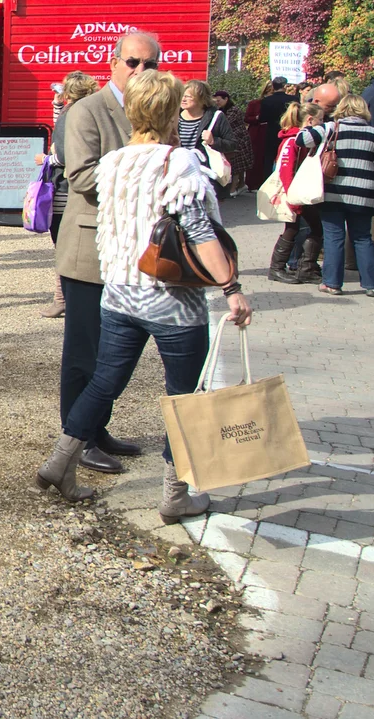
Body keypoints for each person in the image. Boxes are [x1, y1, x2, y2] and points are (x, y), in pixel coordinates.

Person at [38, 70, 252, 522]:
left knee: (104, 380)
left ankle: (60, 461)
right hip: (172, 299)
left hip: (120, 292)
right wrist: (232, 288)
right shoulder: (179, 164)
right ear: (174, 111)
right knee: (183, 395)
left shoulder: (114, 162)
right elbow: (197, 230)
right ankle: (176, 493)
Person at [56, 31, 161, 476]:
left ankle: (98, 429)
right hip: (89, 247)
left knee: (117, 350)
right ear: (114, 62)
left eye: (150, 64)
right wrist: (142, 165)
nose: (141, 71)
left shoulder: (153, 109)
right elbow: (81, 178)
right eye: (134, 62)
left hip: (131, 249)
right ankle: (75, 439)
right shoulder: (88, 110)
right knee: (84, 350)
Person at [298, 94, 374, 296]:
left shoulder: (331, 128)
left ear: (341, 109)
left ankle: (332, 283)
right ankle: (372, 284)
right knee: (362, 237)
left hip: (334, 193)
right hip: (365, 194)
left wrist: (309, 124)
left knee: (334, 237)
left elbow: (302, 140)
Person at [38, 72, 99, 317]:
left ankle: (62, 298)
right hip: (75, 188)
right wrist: (56, 104)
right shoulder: (86, 112)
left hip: (64, 187)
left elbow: (64, 155)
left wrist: (46, 159)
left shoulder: (71, 115)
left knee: (63, 245)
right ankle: (64, 298)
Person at [268, 102, 324, 284]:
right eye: (320, 120)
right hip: (294, 193)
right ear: (310, 120)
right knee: (292, 228)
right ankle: (277, 268)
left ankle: (305, 267)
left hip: (302, 192)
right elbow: (285, 169)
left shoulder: (301, 139)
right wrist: (293, 198)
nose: (322, 124)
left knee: (310, 227)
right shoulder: (292, 140)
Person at [177, 80, 235, 192]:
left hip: (204, 176)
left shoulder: (216, 117)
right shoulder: (174, 116)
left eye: (188, 96)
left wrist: (214, 141)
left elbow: (232, 144)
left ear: (201, 99)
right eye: (182, 96)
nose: (183, 99)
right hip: (177, 175)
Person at [212, 90, 253, 195]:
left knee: (237, 165)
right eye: (215, 101)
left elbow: (225, 123)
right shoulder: (220, 110)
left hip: (239, 139)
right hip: (232, 139)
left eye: (219, 100)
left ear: (226, 99)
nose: (217, 102)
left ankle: (234, 188)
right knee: (238, 164)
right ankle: (241, 185)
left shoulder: (233, 110)